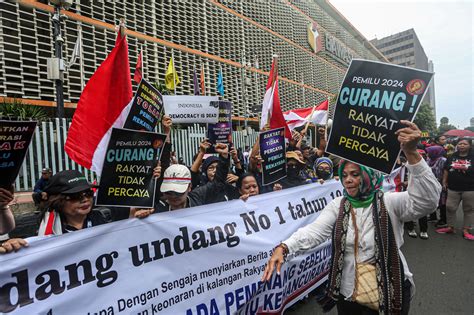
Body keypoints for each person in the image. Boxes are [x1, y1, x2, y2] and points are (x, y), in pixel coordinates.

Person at [262, 121, 441, 314]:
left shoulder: (389, 203)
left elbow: (427, 201)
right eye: (344, 174)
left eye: (355, 174)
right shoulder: (338, 205)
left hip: (389, 290)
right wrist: (285, 247)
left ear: (369, 176)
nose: (347, 179)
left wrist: (411, 153)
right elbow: (314, 232)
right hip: (348, 293)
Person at [0, 170, 108, 253]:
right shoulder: (35, 227)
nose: (84, 199)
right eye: (75, 196)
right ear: (57, 200)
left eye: (88, 193)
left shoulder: (100, 217)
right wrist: (13, 247)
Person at [436, 138, 474, 240]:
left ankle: (466, 230)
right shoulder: (452, 156)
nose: (462, 145)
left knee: (468, 209)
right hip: (453, 187)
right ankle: (450, 227)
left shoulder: (472, 156)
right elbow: (446, 169)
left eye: (464, 144)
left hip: (470, 188)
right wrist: (444, 181)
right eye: (460, 143)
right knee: (450, 207)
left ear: (469, 146)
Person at [425, 145, 448, 226]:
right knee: (432, 200)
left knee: (442, 202)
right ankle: (433, 217)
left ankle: (443, 219)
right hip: (431, 184)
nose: (427, 154)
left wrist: (444, 182)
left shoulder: (443, 160)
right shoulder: (429, 159)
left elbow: (446, 172)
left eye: (429, 152)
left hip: (441, 183)